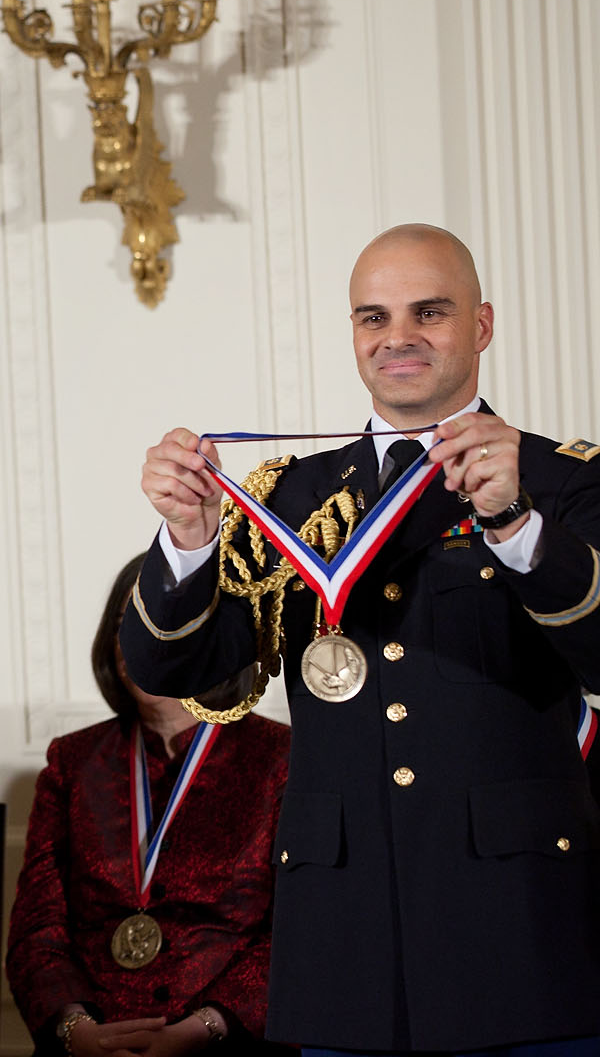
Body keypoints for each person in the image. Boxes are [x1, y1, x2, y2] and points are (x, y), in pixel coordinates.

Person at [123, 223, 600, 1053]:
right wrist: (190, 541)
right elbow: (179, 664)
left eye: (430, 312)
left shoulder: (562, 478)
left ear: (482, 327)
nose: (399, 337)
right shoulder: (293, 495)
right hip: (344, 936)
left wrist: (517, 526)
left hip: (514, 928)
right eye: (373, 317)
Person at [9, 556, 289, 1055]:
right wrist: (78, 1033)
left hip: (227, 1042)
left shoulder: (282, 759)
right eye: (128, 624)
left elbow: (297, 933)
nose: (142, 643)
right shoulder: (71, 762)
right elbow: (37, 930)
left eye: (170, 624)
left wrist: (197, 1031)